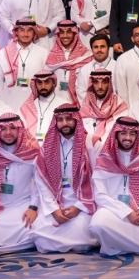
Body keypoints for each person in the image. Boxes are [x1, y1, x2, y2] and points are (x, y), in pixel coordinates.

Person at [31, 105, 99, 253]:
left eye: (68, 119)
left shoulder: (91, 143)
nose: (64, 123)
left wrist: (78, 207)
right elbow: (41, 182)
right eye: (60, 120)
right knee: (40, 235)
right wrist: (54, 210)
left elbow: (98, 179)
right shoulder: (48, 146)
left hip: (84, 204)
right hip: (57, 203)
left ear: (76, 120)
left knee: (82, 235)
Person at [87, 117, 139, 255]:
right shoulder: (105, 159)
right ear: (116, 134)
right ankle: (120, 245)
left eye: (132, 134)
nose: (128, 138)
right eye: (123, 133)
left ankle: (114, 246)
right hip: (113, 211)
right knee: (97, 224)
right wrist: (127, 212)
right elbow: (100, 195)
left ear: (137, 136)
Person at [0, 114, 42, 253]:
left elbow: (39, 183)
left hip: (23, 205)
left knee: (38, 231)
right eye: (3, 129)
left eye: (12, 128)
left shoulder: (32, 152)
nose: (8, 132)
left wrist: (33, 208)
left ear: (20, 129)